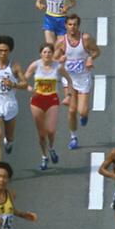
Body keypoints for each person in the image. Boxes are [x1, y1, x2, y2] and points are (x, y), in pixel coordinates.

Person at [54, 14, 100, 150]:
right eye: (69, 24)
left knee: (82, 111)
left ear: (78, 26)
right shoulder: (61, 41)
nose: (72, 27)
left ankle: (84, 116)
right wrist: (60, 60)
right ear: (65, 26)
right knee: (72, 110)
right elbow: (53, 59)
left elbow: (97, 51)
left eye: (75, 24)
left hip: (83, 77)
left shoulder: (85, 39)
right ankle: (73, 137)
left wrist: (91, 58)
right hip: (69, 79)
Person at [24, 42, 73, 170]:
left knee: (50, 131)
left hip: (52, 99)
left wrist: (68, 95)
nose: (47, 54)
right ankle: (44, 157)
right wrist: (29, 88)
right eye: (44, 52)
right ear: (41, 54)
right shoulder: (35, 65)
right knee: (41, 134)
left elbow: (69, 80)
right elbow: (23, 80)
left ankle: (51, 148)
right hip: (37, 101)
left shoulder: (58, 66)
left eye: (49, 52)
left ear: (53, 54)